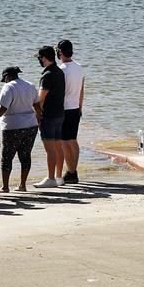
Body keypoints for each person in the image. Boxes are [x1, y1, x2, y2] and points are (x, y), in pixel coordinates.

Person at [0, 67, 39, 192]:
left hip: (12, 127)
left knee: (7, 157)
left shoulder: (9, 87)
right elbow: (37, 105)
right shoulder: (30, 85)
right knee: (25, 155)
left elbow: (3, 108)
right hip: (30, 126)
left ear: (7, 77)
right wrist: (40, 120)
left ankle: (5, 187)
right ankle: (23, 185)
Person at [32, 46, 66, 189]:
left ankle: (51, 178)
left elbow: (40, 99)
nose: (39, 61)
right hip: (60, 114)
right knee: (58, 146)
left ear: (44, 58)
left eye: (39, 58)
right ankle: (59, 176)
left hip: (49, 116)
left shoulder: (47, 75)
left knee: (50, 149)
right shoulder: (59, 72)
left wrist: (36, 114)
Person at [58, 40, 85, 184]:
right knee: (73, 140)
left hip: (64, 109)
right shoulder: (79, 67)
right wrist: (80, 107)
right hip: (75, 108)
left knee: (64, 142)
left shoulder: (61, 70)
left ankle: (71, 172)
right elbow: (82, 89)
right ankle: (73, 170)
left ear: (60, 52)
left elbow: (60, 93)